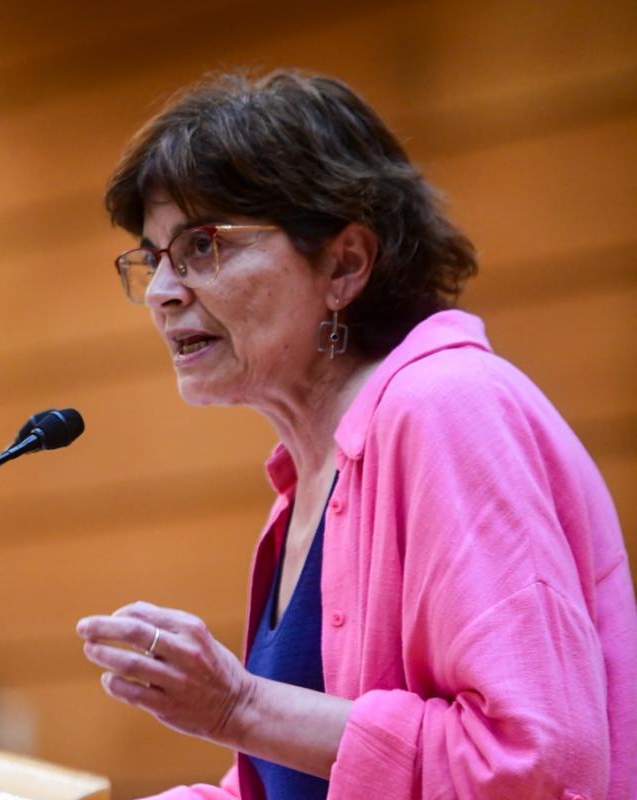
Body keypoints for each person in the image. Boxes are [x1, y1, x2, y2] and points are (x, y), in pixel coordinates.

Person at [75, 70, 636, 799]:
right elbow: (302, 782)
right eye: (154, 258)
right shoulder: (308, 480)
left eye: (204, 245)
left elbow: (536, 767)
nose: (161, 291)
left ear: (344, 264)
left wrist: (240, 706)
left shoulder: (447, 407)